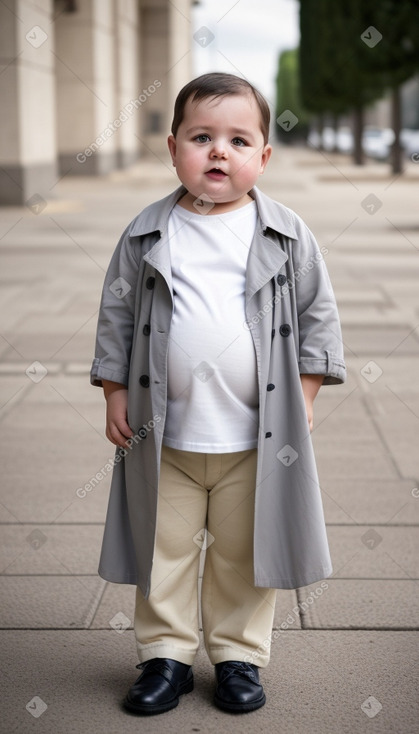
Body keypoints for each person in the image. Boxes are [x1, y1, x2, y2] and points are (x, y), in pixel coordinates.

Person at [90, 72, 346, 716]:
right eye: (201, 138)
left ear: (263, 156)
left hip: (254, 439)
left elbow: (318, 317)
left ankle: (237, 656)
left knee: (243, 553)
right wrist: (114, 391)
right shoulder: (149, 231)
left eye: (238, 140)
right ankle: (166, 655)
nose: (218, 152)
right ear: (173, 147)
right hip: (163, 436)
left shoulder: (286, 234)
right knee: (163, 548)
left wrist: (306, 394)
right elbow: (117, 314)